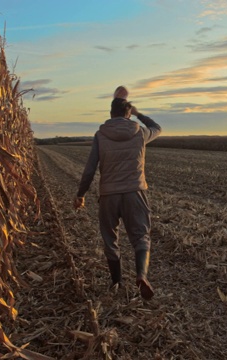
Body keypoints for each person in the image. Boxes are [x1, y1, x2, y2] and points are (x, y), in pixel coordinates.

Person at [74, 93, 162, 300]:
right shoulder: (140, 132)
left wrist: (80, 194)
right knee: (141, 236)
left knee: (110, 239)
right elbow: (158, 128)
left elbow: (89, 170)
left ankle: (117, 283)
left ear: (110, 114)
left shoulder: (101, 135)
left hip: (108, 195)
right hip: (135, 192)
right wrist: (140, 115)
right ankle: (141, 275)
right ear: (128, 114)